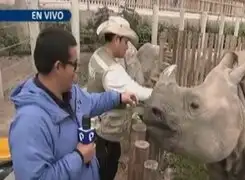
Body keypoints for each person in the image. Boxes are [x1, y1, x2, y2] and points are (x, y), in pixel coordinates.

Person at [8, 27, 137, 180]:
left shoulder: (71, 93)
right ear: (58, 67)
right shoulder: (29, 123)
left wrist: (118, 97)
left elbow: (91, 102)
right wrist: (79, 157)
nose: (76, 75)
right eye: (74, 65)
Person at [86, 16, 153, 180]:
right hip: (104, 133)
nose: (128, 46)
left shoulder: (98, 55)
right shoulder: (112, 71)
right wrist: (160, 94)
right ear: (116, 39)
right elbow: (136, 90)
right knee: (105, 171)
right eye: (126, 42)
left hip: (97, 128)